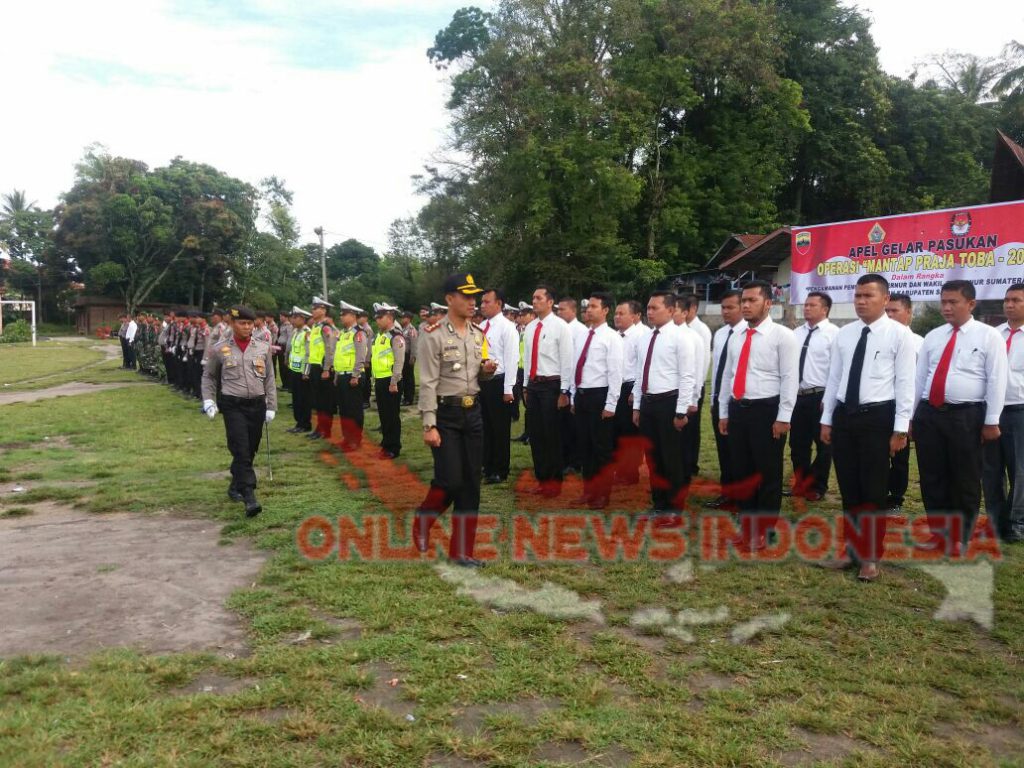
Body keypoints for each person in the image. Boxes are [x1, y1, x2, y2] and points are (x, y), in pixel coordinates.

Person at [819, 275, 914, 581]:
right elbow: (835, 378)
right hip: (846, 416)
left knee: (873, 489)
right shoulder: (845, 334)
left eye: (868, 296)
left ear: (885, 299)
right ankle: (850, 548)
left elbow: (905, 384)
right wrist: (827, 419)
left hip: (878, 417)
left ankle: (870, 556)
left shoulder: (899, 335)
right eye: (857, 295)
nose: (861, 301)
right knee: (849, 487)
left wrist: (900, 429)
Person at [914, 279, 1007, 555]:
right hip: (930, 415)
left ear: (971, 304)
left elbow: (996, 380)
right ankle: (938, 533)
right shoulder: (934, 336)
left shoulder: (988, 337)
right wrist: (910, 416)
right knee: (932, 476)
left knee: (964, 477)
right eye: (943, 302)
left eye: (953, 302)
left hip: (966, 415)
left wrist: (992, 420)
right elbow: (920, 378)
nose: (946, 307)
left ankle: (960, 536)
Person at [415, 273, 497, 566]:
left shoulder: (477, 334)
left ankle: (461, 551)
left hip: (472, 412)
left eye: (475, 297)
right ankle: (424, 518)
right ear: (450, 299)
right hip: (445, 414)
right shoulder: (433, 334)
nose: (473, 302)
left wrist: (487, 370)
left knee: (471, 484)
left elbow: (477, 375)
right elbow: (427, 382)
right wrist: (429, 424)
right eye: (466, 297)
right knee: (450, 480)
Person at [718, 281, 799, 551]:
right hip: (739, 409)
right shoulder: (737, 337)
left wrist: (783, 417)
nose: (746, 305)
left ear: (768, 304)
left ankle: (765, 529)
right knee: (742, 471)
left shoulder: (783, 336)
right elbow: (728, 376)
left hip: (767, 411)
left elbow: (789, 379)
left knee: (767, 473)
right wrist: (724, 411)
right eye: (744, 300)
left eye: (752, 300)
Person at [201, 305, 277, 517]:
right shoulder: (220, 348)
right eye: (242, 323)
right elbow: (209, 376)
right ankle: (249, 496)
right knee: (241, 448)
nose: (246, 327)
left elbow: (270, 378)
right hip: (233, 405)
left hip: (257, 404)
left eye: (249, 323)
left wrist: (271, 405)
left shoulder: (262, 347)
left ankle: (236, 484)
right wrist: (208, 399)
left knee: (249, 450)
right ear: (233, 324)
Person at [632, 291, 696, 518]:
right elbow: (640, 374)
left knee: (671, 459)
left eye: (655, 308)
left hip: (669, 403)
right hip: (648, 403)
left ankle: (674, 508)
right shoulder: (646, 338)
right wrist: (637, 406)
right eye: (648, 308)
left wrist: (681, 411)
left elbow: (687, 376)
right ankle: (659, 504)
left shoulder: (681, 337)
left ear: (670, 310)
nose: (650, 312)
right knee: (653, 459)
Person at [570, 292, 623, 509]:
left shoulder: (612, 337)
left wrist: (611, 404)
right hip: (582, 395)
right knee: (585, 446)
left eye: (593, 306)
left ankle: (603, 494)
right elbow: (576, 366)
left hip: (599, 396)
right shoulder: (583, 334)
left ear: (605, 310)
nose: (588, 310)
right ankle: (588, 490)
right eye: (587, 306)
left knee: (601, 449)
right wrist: (574, 395)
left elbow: (615, 373)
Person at [523, 285, 575, 496]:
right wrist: (526, 385)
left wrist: (564, 391)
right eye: (533, 298)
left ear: (550, 302)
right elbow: (527, 358)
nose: (534, 301)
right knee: (536, 434)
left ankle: (554, 481)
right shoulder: (530, 327)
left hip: (552, 385)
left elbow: (567, 360)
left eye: (538, 298)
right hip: (534, 385)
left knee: (551, 434)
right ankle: (542, 478)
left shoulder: (560, 326)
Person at [788, 291, 839, 500]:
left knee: (824, 445)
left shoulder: (834, 334)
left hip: (820, 396)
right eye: (805, 305)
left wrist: (830, 400)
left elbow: (837, 370)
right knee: (797, 444)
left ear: (825, 309)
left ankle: (817, 486)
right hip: (796, 396)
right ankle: (801, 483)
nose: (806, 308)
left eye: (812, 305)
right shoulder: (795, 333)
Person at [983, 283, 1024, 543]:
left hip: (1020, 410)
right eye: (1007, 300)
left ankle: (1017, 521)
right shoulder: (993, 334)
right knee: (990, 469)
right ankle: (995, 520)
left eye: (1016, 300)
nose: (1009, 304)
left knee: (1020, 469)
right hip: (991, 412)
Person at [883, 294, 925, 512]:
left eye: (894, 311)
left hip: (905, 409)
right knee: (878, 453)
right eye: (887, 311)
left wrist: (911, 416)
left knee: (900, 456)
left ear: (908, 312)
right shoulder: (878, 339)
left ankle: (896, 498)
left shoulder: (920, 343)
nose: (889, 315)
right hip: (880, 406)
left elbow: (920, 383)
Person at [705, 289, 746, 510]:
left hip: (738, 403)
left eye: (731, 307)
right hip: (719, 402)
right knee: (723, 451)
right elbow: (719, 370)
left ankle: (741, 497)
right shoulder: (720, 334)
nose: (726, 312)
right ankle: (727, 493)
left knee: (738, 452)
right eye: (723, 307)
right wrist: (714, 401)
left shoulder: (747, 333)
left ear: (742, 307)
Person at [479, 288, 519, 484]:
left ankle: (500, 469)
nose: (482, 305)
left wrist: (508, 389)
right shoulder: (482, 326)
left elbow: (512, 359)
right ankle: (487, 464)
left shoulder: (506, 327)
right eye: (482, 302)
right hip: (482, 381)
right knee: (484, 426)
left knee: (499, 428)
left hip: (498, 381)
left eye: (487, 302)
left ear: (499, 303)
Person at [612, 299, 645, 485]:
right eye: (616, 313)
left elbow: (641, 367)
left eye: (621, 313)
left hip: (630, 387)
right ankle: (620, 469)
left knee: (629, 432)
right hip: (615, 387)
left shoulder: (641, 335)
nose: (617, 317)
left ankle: (630, 472)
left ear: (634, 316)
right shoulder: (615, 335)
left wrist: (635, 391)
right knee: (616, 430)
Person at [371, 302, 406, 459]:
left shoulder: (396, 336)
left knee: (392, 415)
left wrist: (394, 381)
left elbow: (399, 361)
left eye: (381, 317)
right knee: (384, 415)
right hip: (380, 379)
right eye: (376, 317)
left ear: (390, 317)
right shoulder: (380, 336)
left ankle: (393, 447)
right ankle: (386, 442)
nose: (377, 320)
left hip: (391, 381)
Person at [682, 294, 712, 476]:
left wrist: (696, 391)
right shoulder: (681, 329)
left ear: (692, 309)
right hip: (683, 387)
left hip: (695, 387)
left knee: (691, 428)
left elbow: (703, 362)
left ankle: (691, 464)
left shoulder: (701, 330)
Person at [333, 301, 369, 451]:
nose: (341, 317)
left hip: (353, 376)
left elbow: (361, 355)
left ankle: (355, 439)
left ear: (353, 316)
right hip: (342, 375)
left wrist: (355, 375)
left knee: (354, 410)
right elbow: (339, 355)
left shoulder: (358, 333)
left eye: (344, 314)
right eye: (341, 314)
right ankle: (347, 438)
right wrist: (336, 374)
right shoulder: (343, 334)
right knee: (344, 410)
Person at [307, 297, 336, 440]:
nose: (312, 310)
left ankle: (326, 429)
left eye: (315, 308)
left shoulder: (326, 327)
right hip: (314, 366)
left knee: (325, 401)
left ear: (323, 310)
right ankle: (319, 427)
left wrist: (326, 368)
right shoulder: (315, 327)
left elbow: (329, 349)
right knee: (317, 400)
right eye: (312, 308)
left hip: (323, 368)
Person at [285, 307, 313, 434]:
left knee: (303, 399)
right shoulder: (296, 332)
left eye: (295, 318)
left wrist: (306, 371)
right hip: (295, 369)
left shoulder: (307, 332)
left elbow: (308, 353)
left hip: (303, 372)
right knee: (296, 398)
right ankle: (298, 422)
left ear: (302, 319)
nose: (293, 320)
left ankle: (305, 423)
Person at [399, 311, 419, 406]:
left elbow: (414, 345)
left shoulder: (412, 330)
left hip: (408, 356)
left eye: (403, 318)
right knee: (403, 377)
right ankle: (405, 396)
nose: (401, 319)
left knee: (408, 378)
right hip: (402, 355)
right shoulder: (402, 329)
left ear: (408, 319)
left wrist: (413, 357)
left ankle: (409, 398)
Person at [357, 310, 375, 409]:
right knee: (362, 380)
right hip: (361, 358)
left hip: (366, 358)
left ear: (365, 318)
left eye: (360, 317)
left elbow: (368, 346)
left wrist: (367, 360)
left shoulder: (367, 329)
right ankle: (362, 399)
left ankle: (366, 400)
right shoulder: (360, 329)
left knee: (366, 380)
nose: (358, 319)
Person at [276, 310, 293, 393]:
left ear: (286, 317)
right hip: (279, 346)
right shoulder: (281, 325)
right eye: (280, 316)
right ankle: (284, 384)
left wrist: (287, 350)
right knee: (281, 366)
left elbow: (290, 338)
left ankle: (288, 384)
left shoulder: (289, 326)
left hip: (284, 346)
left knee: (285, 366)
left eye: (281, 316)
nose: (280, 318)